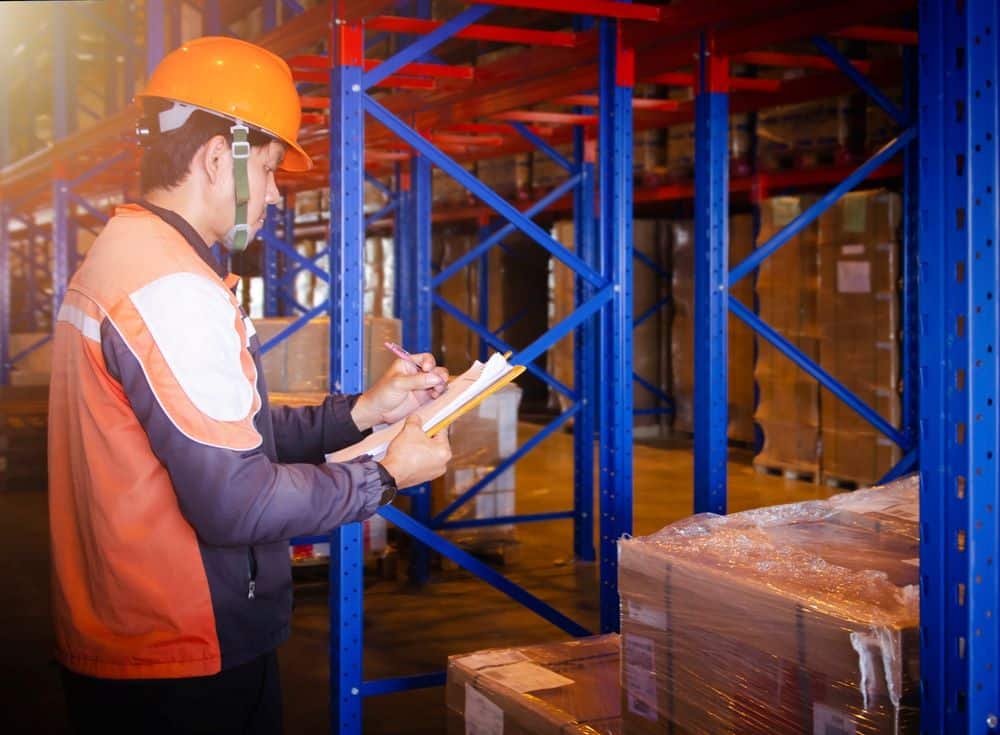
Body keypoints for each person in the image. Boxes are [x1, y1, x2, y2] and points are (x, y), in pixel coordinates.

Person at [47, 36, 451, 734]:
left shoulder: (133, 257)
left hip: (137, 634)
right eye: (266, 171)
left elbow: (237, 435)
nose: (272, 194)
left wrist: (366, 410)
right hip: (180, 656)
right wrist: (384, 474)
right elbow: (235, 501)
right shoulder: (170, 286)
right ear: (214, 160)